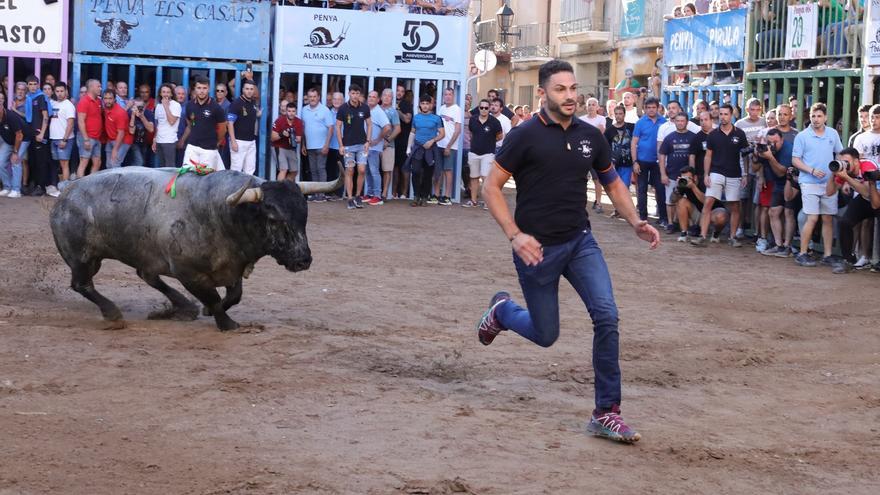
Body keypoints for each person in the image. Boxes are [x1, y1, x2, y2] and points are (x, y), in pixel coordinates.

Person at [478, 59, 660, 445]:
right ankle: (503, 311)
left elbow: (611, 183)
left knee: (607, 315)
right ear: (542, 93)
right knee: (546, 335)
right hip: (535, 249)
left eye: (573, 88)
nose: (570, 96)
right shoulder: (523, 135)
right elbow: (490, 188)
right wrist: (514, 235)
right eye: (561, 89)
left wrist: (635, 221)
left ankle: (606, 412)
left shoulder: (591, 135)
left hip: (580, 242)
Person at [791, 102, 843, 266]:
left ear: (825, 117)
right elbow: (795, 160)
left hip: (829, 183)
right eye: (813, 116)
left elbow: (839, 154)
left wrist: (836, 175)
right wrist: (811, 170)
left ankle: (827, 255)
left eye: (819, 116)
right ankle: (803, 253)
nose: (816, 119)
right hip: (809, 182)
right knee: (812, 218)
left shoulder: (832, 134)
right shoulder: (802, 136)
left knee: (827, 218)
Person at [692, 104, 749, 247]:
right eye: (721, 114)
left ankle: (733, 237)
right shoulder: (713, 134)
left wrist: (745, 174)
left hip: (734, 173)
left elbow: (745, 155)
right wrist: (706, 174)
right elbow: (708, 156)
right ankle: (702, 236)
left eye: (726, 114)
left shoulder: (740, 134)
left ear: (731, 115)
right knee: (708, 202)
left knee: (735, 206)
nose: (723, 117)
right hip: (716, 172)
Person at [831, 147, 880, 273]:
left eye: (847, 162)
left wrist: (847, 179)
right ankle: (848, 260)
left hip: (876, 197)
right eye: (842, 161)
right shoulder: (846, 171)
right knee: (844, 222)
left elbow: (868, 193)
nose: (844, 165)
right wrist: (833, 174)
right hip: (865, 199)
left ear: (857, 161)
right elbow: (829, 191)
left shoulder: (868, 166)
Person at [756, 128, 794, 256]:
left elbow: (781, 172)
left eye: (775, 142)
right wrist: (757, 155)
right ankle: (779, 245)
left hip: (792, 182)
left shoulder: (788, 149)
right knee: (773, 212)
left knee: (788, 213)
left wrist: (770, 157)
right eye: (769, 142)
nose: (772, 145)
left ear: (782, 140)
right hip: (779, 183)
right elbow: (754, 167)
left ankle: (787, 246)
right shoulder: (767, 148)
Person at [631, 96, 668, 226]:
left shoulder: (664, 122)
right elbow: (634, 142)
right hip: (642, 161)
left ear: (658, 108)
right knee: (642, 190)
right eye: (649, 108)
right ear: (645, 109)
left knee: (660, 190)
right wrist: (635, 161)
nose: (651, 110)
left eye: (654, 107)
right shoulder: (640, 123)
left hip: (658, 162)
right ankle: (643, 218)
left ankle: (663, 217)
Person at [336, 84, 372, 210]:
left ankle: (358, 196)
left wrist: (368, 141)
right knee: (350, 170)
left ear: (360, 95)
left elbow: (369, 124)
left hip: (362, 144)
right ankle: (350, 198)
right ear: (349, 93)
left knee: (362, 169)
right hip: (348, 146)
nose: (355, 95)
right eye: (352, 93)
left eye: (357, 93)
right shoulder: (343, 109)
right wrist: (341, 145)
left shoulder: (365, 108)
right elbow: (338, 127)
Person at [659, 113, 696, 233]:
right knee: (670, 201)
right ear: (674, 122)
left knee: (687, 200)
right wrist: (663, 174)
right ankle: (670, 223)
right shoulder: (669, 137)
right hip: (671, 174)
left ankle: (688, 224)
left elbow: (693, 156)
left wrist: (692, 175)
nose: (680, 123)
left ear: (687, 122)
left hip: (687, 176)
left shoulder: (693, 137)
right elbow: (662, 156)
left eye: (682, 121)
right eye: (678, 121)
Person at [405, 94, 444, 206]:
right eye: (423, 103)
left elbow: (442, 134)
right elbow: (412, 132)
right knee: (416, 171)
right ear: (420, 105)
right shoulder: (416, 117)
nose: (425, 106)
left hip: (430, 149)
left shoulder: (436, 118)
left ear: (431, 105)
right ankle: (416, 196)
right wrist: (408, 147)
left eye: (427, 103)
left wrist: (432, 141)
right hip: (417, 148)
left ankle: (424, 197)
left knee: (428, 174)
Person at [181, 76, 227, 170]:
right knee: (188, 176)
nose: (202, 91)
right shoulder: (189, 105)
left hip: (208, 150)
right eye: (199, 88)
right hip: (192, 147)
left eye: (204, 88)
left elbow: (223, 129)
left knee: (206, 180)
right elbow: (190, 125)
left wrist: (216, 142)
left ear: (209, 89)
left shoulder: (216, 108)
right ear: (195, 89)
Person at [464, 98, 503, 208]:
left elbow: (500, 136)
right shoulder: (473, 119)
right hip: (474, 153)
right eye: (482, 107)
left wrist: (489, 141)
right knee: (474, 177)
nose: (484, 110)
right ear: (479, 108)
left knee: (485, 177)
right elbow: (472, 133)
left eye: (486, 108)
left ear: (489, 108)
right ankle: (473, 201)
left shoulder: (495, 122)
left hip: (488, 153)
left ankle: (487, 202)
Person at [301, 87, 335, 200]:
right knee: (313, 169)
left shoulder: (325, 110)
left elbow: (331, 128)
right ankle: (316, 193)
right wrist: (303, 145)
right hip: (310, 146)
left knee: (320, 168)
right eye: (310, 97)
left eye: (314, 96)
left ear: (318, 97)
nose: (312, 99)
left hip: (322, 146)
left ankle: (322, 194)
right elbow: (303, 128)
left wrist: (326, 145)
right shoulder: (304, 110)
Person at [434, 87, 462, 206]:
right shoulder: (441, 108)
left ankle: (447, 196)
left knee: (448, 170)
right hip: (439, 143)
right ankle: (435, 195)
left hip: (450, 146)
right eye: (446, 94)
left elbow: (457, 130)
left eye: (450, 94)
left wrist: (449, 146)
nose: (448, 96)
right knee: (437, 171)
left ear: (453, 96)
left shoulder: (457, 110)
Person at [24, 75, 50, 196]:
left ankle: (41, 187)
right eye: (31, 84)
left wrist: (42, 133)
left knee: (41, 162)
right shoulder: (29, 97)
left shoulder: (40, 98)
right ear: (27, 85)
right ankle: (34, 184)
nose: (33, 86)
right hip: (32, 134)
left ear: (38, 85)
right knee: (33, 161)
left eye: (35, 84)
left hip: (40, 134)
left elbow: (45, 116)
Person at [227, 80, 260, 175]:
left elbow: (251, 114)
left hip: (251, 142)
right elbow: (230, 123)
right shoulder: (236, 103)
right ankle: (232, 190)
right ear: (242, 90)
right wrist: (233, 141)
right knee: (236, 172)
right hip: (238, 141)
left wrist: (258, 113)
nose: (249, 91)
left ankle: (247, 190)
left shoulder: (253, 102)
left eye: (251, 89)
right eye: (247, 89)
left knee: (250, 171)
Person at [365, 89, 391, 204]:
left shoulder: (378, 111)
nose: (371, 98)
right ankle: (370, 193)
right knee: (367, 171)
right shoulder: (367, 110)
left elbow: (387, 127)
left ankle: (377, 196)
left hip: (374, 148)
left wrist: (378, 140)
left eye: (374, 97)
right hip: (366, 147)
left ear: (378, 100)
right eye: (369, 96)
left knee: (374, 170)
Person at [0, 104, 30, 198]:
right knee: (0, 163)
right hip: (8, 140)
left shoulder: (11, 116)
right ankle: (7, 187)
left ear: (1, 108)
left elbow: (19, 135)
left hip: (23, 139)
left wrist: (15, 152)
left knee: (15, 161)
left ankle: (16, 190)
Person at [76, 79, 103, 178]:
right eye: (98, 86)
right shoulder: (84, 102)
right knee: (84, 162)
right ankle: (79, 189)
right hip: (87, 137)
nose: (100, 88)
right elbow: (80, 121)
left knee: (97, 162)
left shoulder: (99, 100)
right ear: (91, 87)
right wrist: (86, 139)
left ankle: (90, 186)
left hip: (96, 137)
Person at [49, 82, 76, 183]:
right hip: (54, 138)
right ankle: (61, 186)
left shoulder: (69, 105)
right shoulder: (55, 103)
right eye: (57, 91)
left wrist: (64, 139)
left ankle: (64, 188)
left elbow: (70, 124)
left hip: (64, 139)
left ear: (66, 92)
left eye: (61, 91)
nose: (59, 93)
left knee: (64, 164)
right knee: (59, 165)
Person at [379, 88, 402, 202]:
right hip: (374, 145)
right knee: (372, 169)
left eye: (389, 96)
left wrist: (387, 141)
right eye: (385, 95)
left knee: (387, 170)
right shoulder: (375, 109)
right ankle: (373, 192)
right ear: (381, 97)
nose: (387, 97)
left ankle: (384, 194)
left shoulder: (393, 112)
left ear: (392, 99)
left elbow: (397, 129)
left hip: (388, 145)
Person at [271, 103, 303, 182]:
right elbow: (272, 138)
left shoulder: (299, 122)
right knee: (284, 169)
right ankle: (279, 191)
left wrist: (292, 138)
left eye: (293, 111)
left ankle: (286, 187)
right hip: (278, 146)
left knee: (294, 171)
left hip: (290, 148)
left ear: (296, 112)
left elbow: (299, 139)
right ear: (286, 111)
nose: (291, 113)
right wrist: (282, 134)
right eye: (289, 111)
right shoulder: (279, 120)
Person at [152, 83, 181, 168]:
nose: (166, 94)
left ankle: (172, 182)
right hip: (159, 140)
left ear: (172, 94)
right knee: (161, 166)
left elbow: (172, 121)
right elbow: (158, 125)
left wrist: (166, 106)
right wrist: (154, 139)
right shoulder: (158, 106)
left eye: (168, 92)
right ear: (160, 94)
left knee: (170, 167)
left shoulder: (176, 105)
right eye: (163, 92)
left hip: (170, 140)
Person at [102, 89, 133, 169]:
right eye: (105, 98)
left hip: (123, 140)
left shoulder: (120, 113)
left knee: (114, 164)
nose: (107, 101)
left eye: (110, 98)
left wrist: (115, 150)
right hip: (111, 139)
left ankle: (119, 182)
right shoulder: (105, 108)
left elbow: (121, 133)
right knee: (108, 165)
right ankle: (111, 182)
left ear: (115, 99)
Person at [394, 84, 414, 199]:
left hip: (404, 140)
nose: (399, 93)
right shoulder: (387, 103)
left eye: (402, 91)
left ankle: (404, 193)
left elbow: (407, 119)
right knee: (394, 168)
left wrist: (397, 110)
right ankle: (393, 193)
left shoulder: (406, 104)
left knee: (404, 167)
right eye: (397, 90)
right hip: (392, 140)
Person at [127, 98, 155, 168]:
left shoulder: (148, 113)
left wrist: (142, 116)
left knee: (142, 163)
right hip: (132, 142)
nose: (139, 109)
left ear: (144, 107)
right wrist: (133, 116)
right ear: (133, 107)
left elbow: (151, 129)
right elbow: (131, 131)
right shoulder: (130, 113)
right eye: (137, 107)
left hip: (144, 142)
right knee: (139, 162)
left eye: (141, 107)